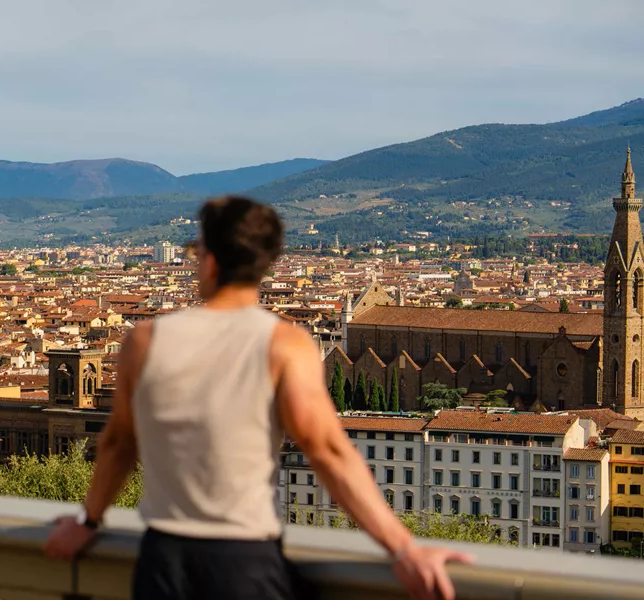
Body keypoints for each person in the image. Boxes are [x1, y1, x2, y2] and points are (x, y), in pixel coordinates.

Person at [44, 196, 472, 600]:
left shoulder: (146, 341)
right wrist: (403, 548)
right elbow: (328, 452)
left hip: (164, 560)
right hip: (244, 559)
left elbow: (119, 443)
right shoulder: (285, 345)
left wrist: (89, 521)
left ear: (210, 261)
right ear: (264, 266)